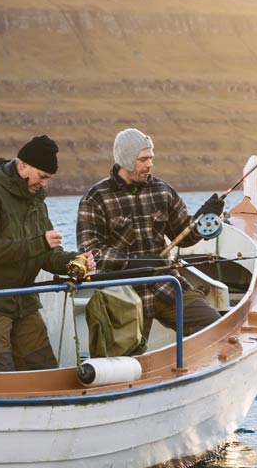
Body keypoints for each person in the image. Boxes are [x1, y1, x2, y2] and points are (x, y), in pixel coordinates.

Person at [0, 135, 95, 372]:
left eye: (48, 179)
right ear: (22, 166)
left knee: (44, 370)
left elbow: (46, 254)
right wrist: (39, 242)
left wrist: (73, 260)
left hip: (24, 301)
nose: (44, 184)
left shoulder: (36, 201)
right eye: (42, 176)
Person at [77, 128, 223, 338]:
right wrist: (134, 263)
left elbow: (185, 235)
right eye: (143, 159)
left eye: (151, 158)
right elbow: (90, 250)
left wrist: (205, 216)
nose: (150, 164)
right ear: (126, 159)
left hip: (167, 285)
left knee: (217, 329)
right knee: (124, 359)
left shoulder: (163, 191)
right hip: (122, 295)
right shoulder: (96, 198)